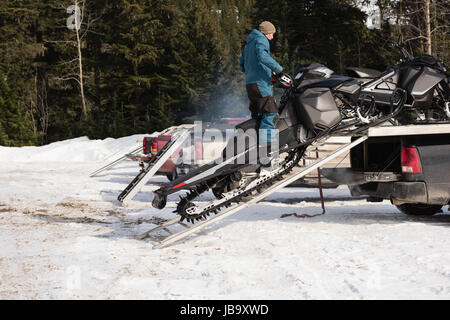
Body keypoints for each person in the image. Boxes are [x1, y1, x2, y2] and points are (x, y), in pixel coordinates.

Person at [239, 21, 283, 167]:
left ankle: (254, 151)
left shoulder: (248, 44)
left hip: (250, 84)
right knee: (270, 113)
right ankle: (266, 151)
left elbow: (242, 65)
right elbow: (263, 57)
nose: (271, 37)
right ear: (266, 32)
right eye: (271, 34)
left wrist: (256, 72)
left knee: (258, 116)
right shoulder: (261, 40)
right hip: (260, 84)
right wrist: (278, 70)